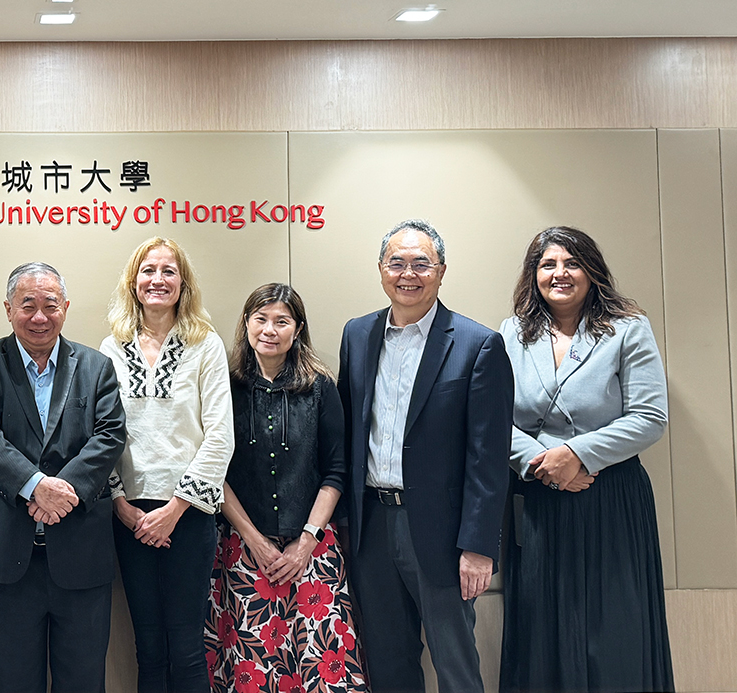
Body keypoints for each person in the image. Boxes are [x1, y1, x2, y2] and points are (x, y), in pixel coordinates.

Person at [336, 219, 513, 693]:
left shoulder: (478, 345)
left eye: (421, 263)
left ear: (441, 271)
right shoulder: (357, 335)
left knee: (454, 665)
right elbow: (350, 432)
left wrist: (478, 546)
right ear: (380, 270)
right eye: (396, 262)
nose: (407, 273)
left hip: (442, 534)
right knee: (388, 663)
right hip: (371, 526)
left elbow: (489, 459)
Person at [498, 226, 673, 693]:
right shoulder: (512, 333)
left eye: (571, 262)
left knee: (613, 632)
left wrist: (576, 454)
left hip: (610, 497)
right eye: (547, 264)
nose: (560, 273)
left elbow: (650, 416)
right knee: (540, 629)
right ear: (533, 274)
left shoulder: (628, 328)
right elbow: (490, 419)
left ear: (591, 270)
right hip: (537, 498)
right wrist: (544, 463)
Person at [0, 261, 127, 693]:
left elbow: (110, 436)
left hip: (81, 554)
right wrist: (37, 487)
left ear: (65, 308)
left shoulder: (96, 366)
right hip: (8, 556)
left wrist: (60, 494)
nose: (39, 316)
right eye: (26, 304)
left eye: (49, 305)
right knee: (13, 682)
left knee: (84, 680)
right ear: (8, 308)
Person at [209, 283, 367, 693]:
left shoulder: (320, 387)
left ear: (297, 330)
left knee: (324, 668)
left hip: (312, 551)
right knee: (254, 667)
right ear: (246, 324)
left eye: (282, 321)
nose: (270, 329)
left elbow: (336, 471)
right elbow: (214, 471)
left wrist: (306, 543)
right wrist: (255, 541)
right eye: (261, 319)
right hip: (245, 552)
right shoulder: (224, 388)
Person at [98, 238, 232, 693]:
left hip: (189, 515)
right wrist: (120, 503)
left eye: (168, 271)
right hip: (131, 516)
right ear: (133, 283)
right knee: (148, 646)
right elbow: (103, 436)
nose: (158, 280)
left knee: (187, 645)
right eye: (148, 271)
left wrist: (175, 509)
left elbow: (220, 436)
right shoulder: (111, 347)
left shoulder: (205, 345)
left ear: (183, 283)